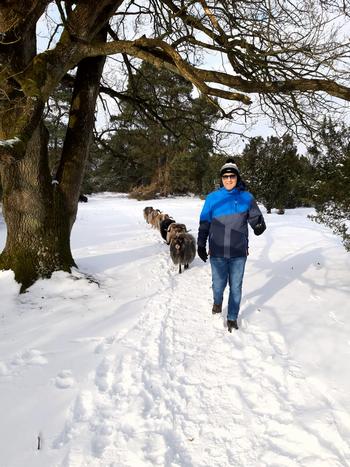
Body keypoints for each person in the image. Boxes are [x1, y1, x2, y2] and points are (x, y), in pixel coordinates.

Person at [197, 159, 266, 332]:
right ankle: (218, 302)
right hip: (217, 251)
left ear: (237, 177)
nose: (229, 179)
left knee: (236, 286)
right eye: (225, 176)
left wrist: (259, 225)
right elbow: (204, 223)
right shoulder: (213, 198)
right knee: (218, 285)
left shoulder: (246, 197)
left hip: (238, 252)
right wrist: (200, 244)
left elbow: (255, 218)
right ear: (221, 178)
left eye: (232, 176)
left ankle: (232, 317)